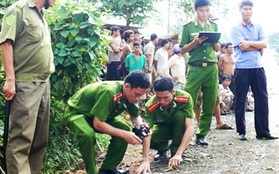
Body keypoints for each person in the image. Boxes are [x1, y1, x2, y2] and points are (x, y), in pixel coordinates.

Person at [0, 0, 55, 173]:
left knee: (39, 140)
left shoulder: (41, 15)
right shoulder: (18, 10)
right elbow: (6, 43)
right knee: (20, 139)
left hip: (44, 83)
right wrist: (10, 79)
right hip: (25, 84)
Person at [64, 71, 152, 174]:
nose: (138, 98)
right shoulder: (109, 91)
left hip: (96, 116)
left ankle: (108, 169)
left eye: (140, 96)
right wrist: (124, 135)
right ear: (127, 86)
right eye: (137, 94)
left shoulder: (129, 94)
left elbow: (135, 116)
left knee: (124, 129)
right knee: (87, 135)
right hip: (77, 113)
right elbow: (98, 124)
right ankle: (93, 172)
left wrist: (142, 126)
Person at [230, 0, 278, 140]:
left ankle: (263, 131)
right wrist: (257, 46)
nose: (248, 11)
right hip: (242, 68)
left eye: (250, 9)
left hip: (258, 67)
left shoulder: (258, 26)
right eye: (245, 8)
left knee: (262, 99)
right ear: (240, 10)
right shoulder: (236, 28)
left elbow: (264, 44)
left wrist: (250, 43)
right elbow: (242, 47)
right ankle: (242, 131)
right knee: (240, 99)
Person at [179, 0, 221, 146]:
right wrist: (195, 42)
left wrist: (214, 41)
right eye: (202, 10)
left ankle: (202, 134)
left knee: (209, 101)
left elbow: (217, 48)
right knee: (187, 98)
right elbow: (182, 49)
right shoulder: (188, 27)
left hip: (211, 67)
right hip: (195, 67)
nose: (205, 13)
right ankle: (183, 131)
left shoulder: (214, 26)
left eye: (207, 10)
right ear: (196, 10)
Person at [145, 77, 195, 170]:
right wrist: (145, 159)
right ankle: (162, 149)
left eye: (165, 97)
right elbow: (148, 130)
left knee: (180, 116)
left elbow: (190, 127)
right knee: (144, 136)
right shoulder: (150, 105)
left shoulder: (185, 98)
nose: (162, 101)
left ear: (173, 92)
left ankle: (176, 151)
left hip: (179, 128)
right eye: (158, 97)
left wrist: (178, 154)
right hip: (163, 128)